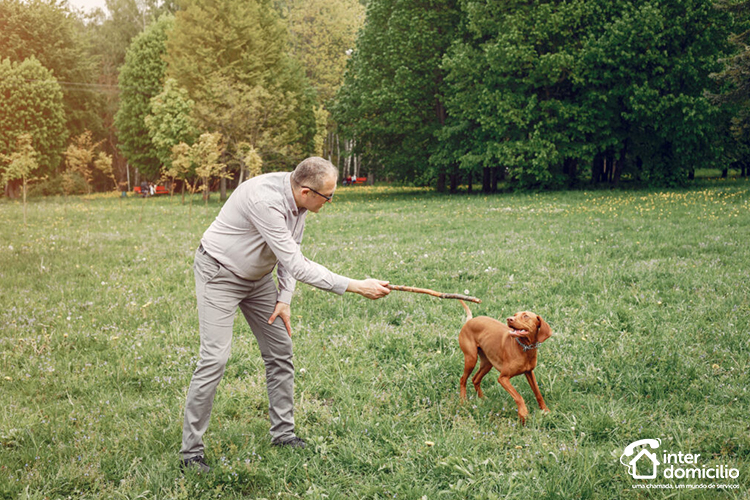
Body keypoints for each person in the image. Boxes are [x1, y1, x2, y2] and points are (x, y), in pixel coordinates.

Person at [180, 157, 390, 473]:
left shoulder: (299, 201)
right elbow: (297, 264)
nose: (330, 202)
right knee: (215, 359)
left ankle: (283, 434)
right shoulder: (265, 200)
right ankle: (190, 453)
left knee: (281, 352)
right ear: (307, 191)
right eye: (328, 197)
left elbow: (293, 249)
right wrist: (356, 286)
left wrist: (284, 298)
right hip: (219, 273)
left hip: (259, 279)